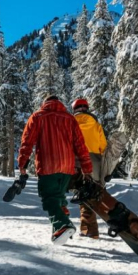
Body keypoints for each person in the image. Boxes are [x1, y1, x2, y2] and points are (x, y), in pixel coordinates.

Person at [18, 95, 93, 245]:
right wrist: (87, 168)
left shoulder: (38, 116)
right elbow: (80, 146)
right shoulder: (70, 119)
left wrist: (22, 164)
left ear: (45, 103)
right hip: (67, 167)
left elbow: (27, 142)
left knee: (49, 198)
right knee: (58, 197)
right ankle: (60, 230)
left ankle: (63, 225)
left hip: (48, 165)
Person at [71, 99, 107, 239]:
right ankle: (92, 229)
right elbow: (103, 146)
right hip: (94, 162)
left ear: (74, 109)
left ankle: (89, 230)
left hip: (76, 160)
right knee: (93, 194)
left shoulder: (70, 123)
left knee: (83, 194)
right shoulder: (96, 124)